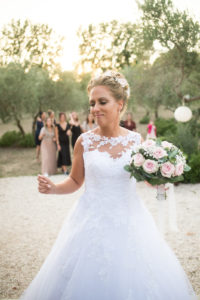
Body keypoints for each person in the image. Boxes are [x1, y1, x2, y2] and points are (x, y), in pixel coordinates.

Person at [20, 71, 197, 300]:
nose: (95, 108)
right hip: (90, 221)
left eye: (102, 102)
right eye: (92, 103)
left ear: (119, 104)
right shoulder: (84, 141)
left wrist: (163, 180)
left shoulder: (135, 141)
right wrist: (54, 188)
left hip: (130, 220)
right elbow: (75, 180)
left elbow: (147, 179)